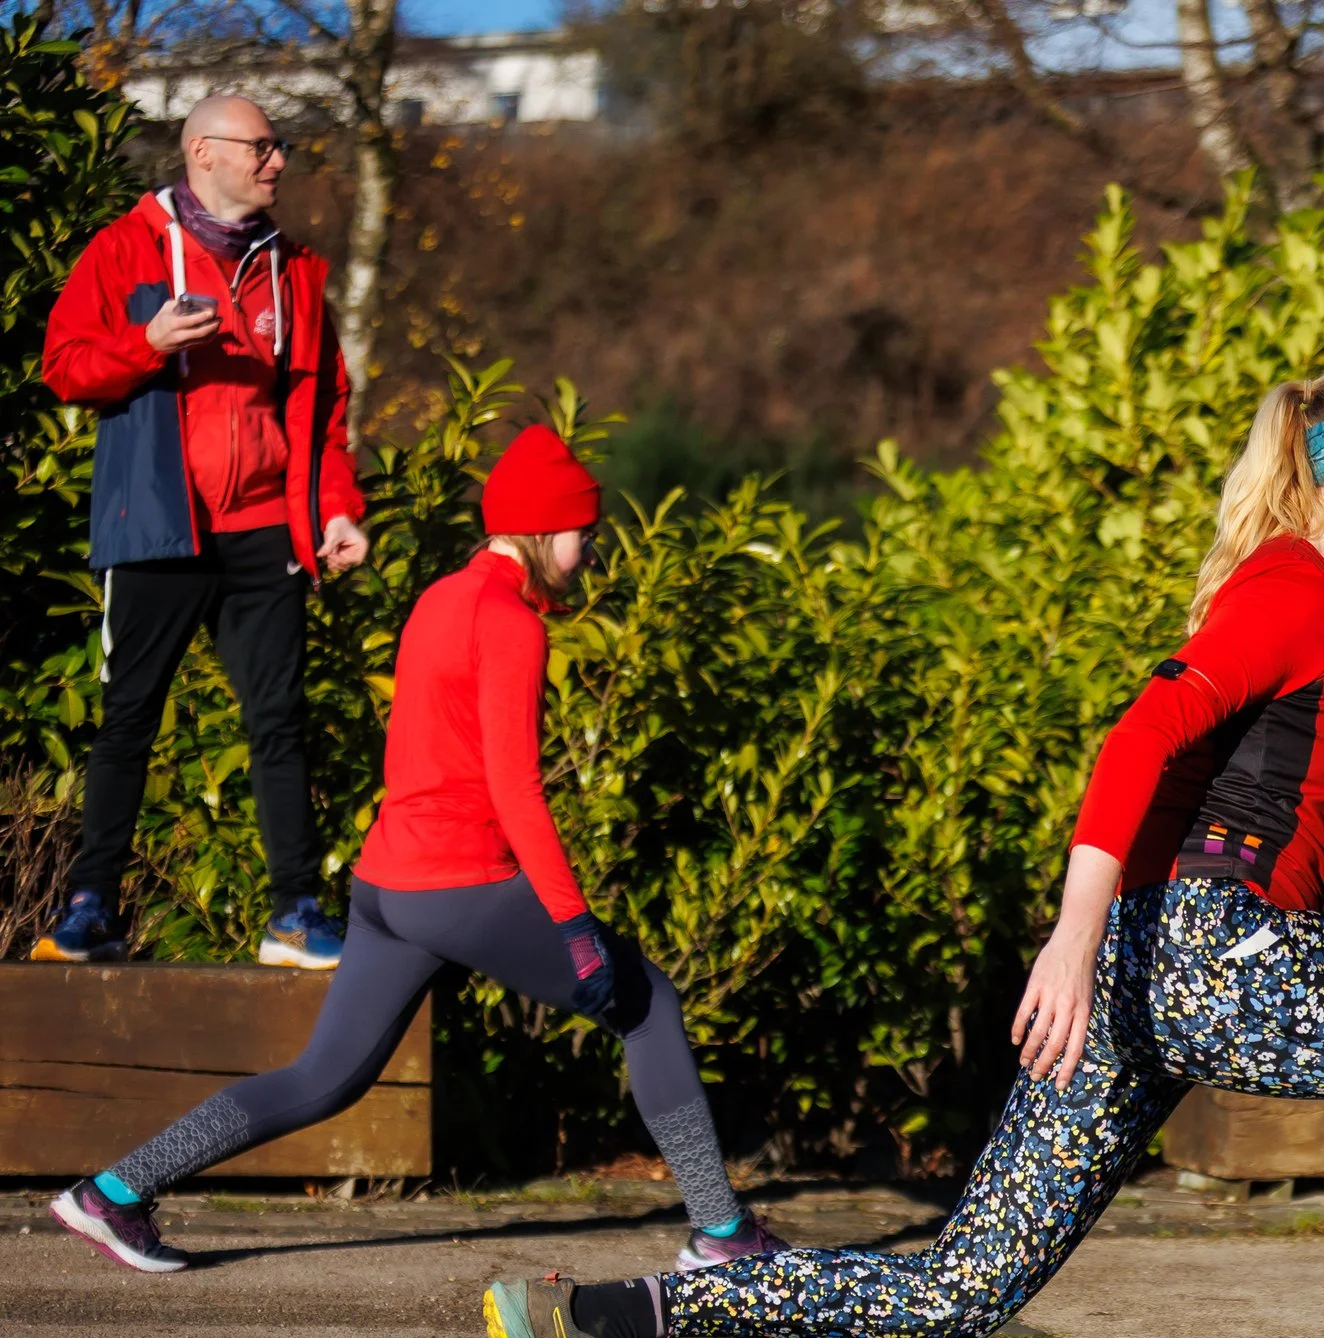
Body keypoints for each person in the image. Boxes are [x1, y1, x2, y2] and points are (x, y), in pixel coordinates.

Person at [477, 353, 1324, 1338]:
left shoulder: (1308, 606)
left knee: (955, 1292)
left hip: (1162, 961)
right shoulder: (1293, 593)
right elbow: (1138, 736)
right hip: (1205, 958)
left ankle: (592, 1314)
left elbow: (1316, 858)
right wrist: (1070, 941)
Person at [49, 426, 787, 1277]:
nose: (590, 554)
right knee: (647, 1000)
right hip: (456, 882)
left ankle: (117, 1190)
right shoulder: (511, 623)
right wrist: (573, 919)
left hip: (385, 884)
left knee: (324, 1076)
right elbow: (517, 791)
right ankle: (723, 1235)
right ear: (546, 532)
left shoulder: (440, 598)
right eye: (585, 534)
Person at [34, 95, 367, 970]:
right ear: (204, 154)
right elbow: (63, 366)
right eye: (262, 148)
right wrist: (144, 343)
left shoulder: (294, 270)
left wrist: (335, 506)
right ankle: (90, 907)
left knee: (278, 723)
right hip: (158, 523)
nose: (278, 163)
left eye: (279, 148)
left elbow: (323, 406)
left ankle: (295, 912)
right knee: (128, 719)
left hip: (264, 528)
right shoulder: (125, 248)